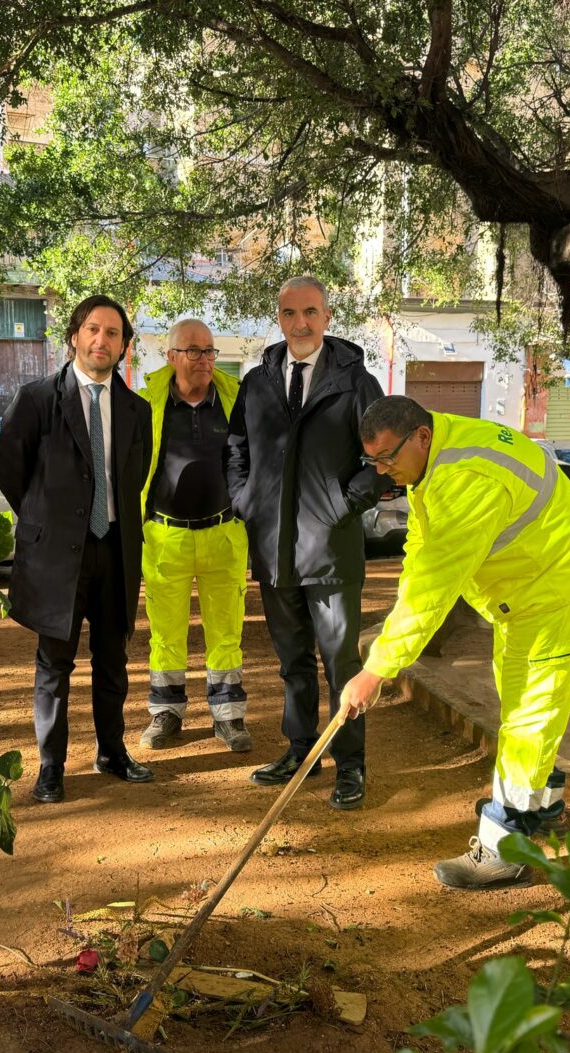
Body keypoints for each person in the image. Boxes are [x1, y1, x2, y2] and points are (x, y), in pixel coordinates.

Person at [338, 396, 570, 889]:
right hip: (524, 587)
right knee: (518, 698)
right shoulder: (437, 451)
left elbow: (434, 587)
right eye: (372, 460)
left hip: (556, 581)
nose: (381, 471)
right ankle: (542, 803)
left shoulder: (467, 480)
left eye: (387, 459)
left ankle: (506, 845)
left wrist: (376, 670)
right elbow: (422, 553)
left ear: (420, 437)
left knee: (531, 710)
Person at [224, 275, 388, 809]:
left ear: (327, 316)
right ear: (280, 318)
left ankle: (352, 765)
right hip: (274, 551)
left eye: (311, 313)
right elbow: (236, 448)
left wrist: (342, 506)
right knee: (292, 659)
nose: (301, 323)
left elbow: (381, 460)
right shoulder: (258, 383)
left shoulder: (355, 382)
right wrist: (245, 499)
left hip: (331, 553)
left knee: (340, 664)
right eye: (290, 313)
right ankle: (301, 750)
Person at [0, 294, 153, 804]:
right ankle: (51, 767)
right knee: (54, 665)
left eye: (112, 333)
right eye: (92, 329)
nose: (101, 341)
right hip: (58, 557)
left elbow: (134, 477)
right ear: (74, 336)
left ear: (123, 345)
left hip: (116, 552)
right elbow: (12, 474)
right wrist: (50, 522)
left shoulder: (137, 410)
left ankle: (112, 752)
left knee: (113, 661)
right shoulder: (38, 399)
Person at [137, 319, 252, 753]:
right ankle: (166, 713)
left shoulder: (235, 399)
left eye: (209, 351)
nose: (204, 359)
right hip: (166, 536)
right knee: (165, 633)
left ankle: (228, 717)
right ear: (172, 357)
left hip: (224, 533)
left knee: (227, 631)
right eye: (193, 351)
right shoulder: (147, 402)